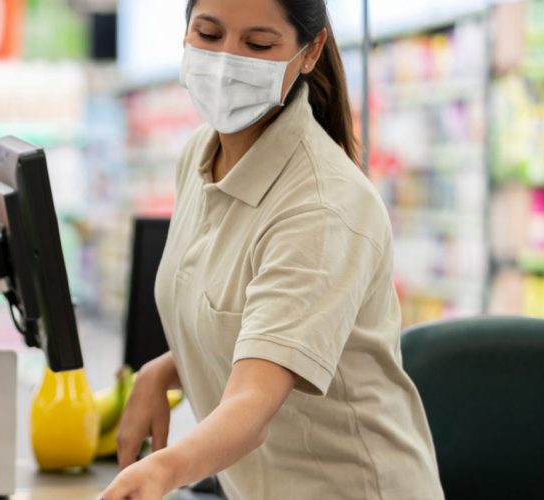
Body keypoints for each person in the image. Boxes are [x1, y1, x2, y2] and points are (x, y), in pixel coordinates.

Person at [102, 0, 444, 498]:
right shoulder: (201, 155)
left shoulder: (323, 209)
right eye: (209, 33)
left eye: (258, 45)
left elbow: (254, 404)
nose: (225, 62)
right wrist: (163, 370)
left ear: (310, 52)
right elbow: (246, 321)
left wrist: (164, 470)